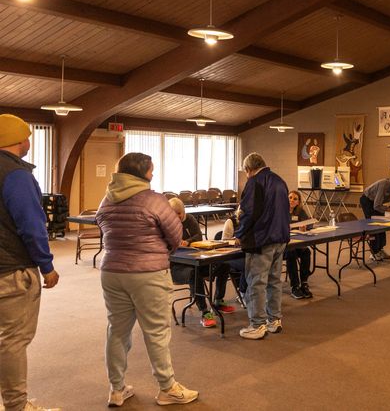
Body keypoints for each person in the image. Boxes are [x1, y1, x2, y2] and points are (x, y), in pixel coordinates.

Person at [96, 153, 198, 406]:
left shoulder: (107, 199)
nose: (153, 175)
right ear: (143, 173)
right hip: (148, 273)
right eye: (152, 171)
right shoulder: (154, 199)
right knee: (156, 332)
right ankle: (167, 388)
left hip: (111, 272)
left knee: (116, 331)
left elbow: (101, 225)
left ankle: (116, 390)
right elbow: (175, 236)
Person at [0, 114, 60, 411]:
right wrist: (46, 265)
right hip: (11, 272)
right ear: (17, 139)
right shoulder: (16, 175)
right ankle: (16, 406)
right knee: (12, 341)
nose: (28, 143)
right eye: (27, 137)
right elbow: (31, 225)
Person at [236, 153, 289, 340]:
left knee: (256, 282)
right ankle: (274, 320)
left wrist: (240, 233)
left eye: (245, 172)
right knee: (274, 280)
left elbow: (249, 213)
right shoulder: (279, 181)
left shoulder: (255, 182)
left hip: (261, 239)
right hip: (280, 237)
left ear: (249, 169)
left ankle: (257, 324)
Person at [167, 198, 235, 329]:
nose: (176, 217)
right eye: (172, 214)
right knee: (194, 273)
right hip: (177, 267)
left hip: (196, 260)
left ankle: (218, 301)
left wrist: (187, 241)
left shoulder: (190, 219)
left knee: (223, 265)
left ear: (183, 211)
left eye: (179, 214)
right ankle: (204, 312)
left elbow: (198, 236)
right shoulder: (166, 225)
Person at [360, 175, 390, 261]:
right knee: (374, 226)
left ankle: (380, 249)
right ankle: (374, 252)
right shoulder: (384, 184)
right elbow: (377, 205)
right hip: (368, 201)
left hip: (377, 205)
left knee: (382, 225)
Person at [286, 190, 313, 299]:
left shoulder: (300, 212)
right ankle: (294, 286)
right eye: (290, 197)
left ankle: (304, 283)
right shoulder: (280, 211)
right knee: (291, 253)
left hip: (296, 242)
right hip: (283, 245)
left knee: (306, 252)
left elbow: (309, 224)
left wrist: (305, 227)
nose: (292, 200)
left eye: (295, 199)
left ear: (298, 202)